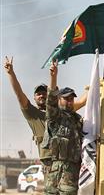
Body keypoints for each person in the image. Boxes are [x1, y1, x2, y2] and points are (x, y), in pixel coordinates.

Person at [3, 57, 86, 177]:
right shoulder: (33, 114)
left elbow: (82, 102)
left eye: (44, 93)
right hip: (49, 163)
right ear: (34, 98)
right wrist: (11, 73)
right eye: (38, 94)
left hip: (67, 161)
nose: (41, 95)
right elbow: (19, 94)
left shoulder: (61, 112)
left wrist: (97, 85)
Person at [42, 60, 83, 195]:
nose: (70, 101)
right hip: (56, 173)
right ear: (60, 99)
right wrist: (53, 78)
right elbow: (50, 102)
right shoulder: (56, 117)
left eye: (72, 99)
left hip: (71, 175)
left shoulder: (78, 120)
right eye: (66, 98)